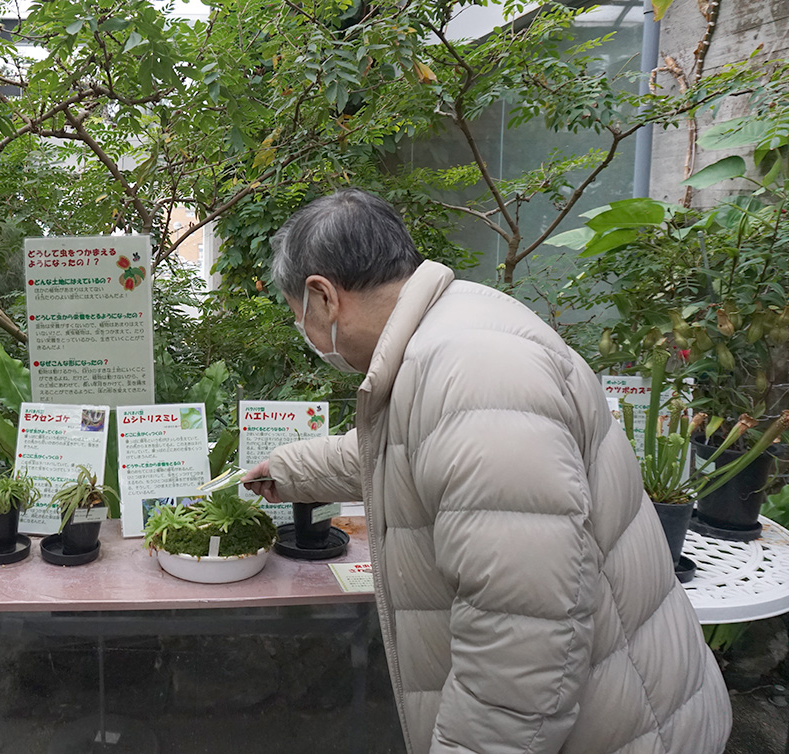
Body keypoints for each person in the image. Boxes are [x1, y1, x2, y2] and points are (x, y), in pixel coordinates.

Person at [243, 188, 731, 754]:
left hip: (628, 732)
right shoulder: (454, 334)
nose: (306, 334)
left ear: (323, 296)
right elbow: (405, 451)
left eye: (298, 316)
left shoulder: (472, 372)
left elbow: (522, 648)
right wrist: (289, 468)